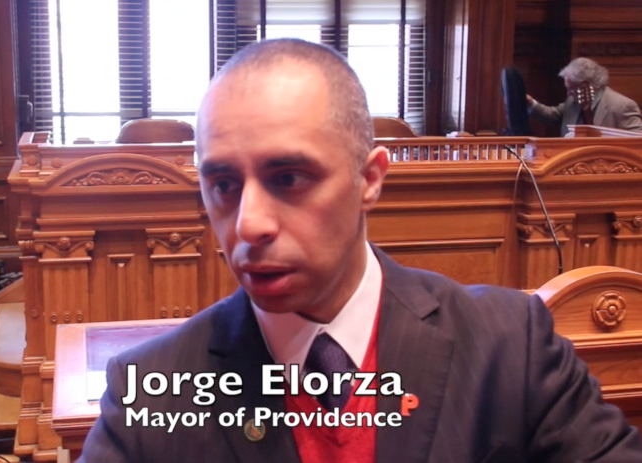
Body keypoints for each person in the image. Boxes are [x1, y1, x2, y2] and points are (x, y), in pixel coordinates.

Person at [78, 39, 642, 462]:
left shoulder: (511, 345)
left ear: (369, 179)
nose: (248, 224)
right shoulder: (147, 392)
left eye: (289, 178)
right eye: (223, 185)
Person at [527, 57, 642, 136]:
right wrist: (531, 103)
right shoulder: (572, 101)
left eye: (571, 89)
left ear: (585, 85)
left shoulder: (623, 106)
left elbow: (637, 142)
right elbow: (553, 116)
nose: (568, 93)